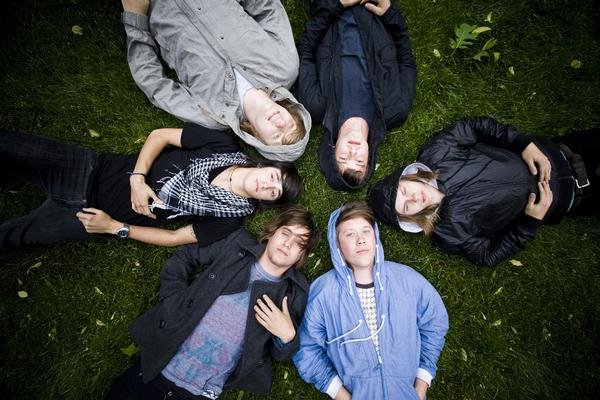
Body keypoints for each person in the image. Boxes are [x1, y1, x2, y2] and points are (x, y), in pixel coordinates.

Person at [105, 206, 320, 399]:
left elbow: (280, 354)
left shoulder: (295, 291)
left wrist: (287, 337)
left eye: (299, 243)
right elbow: (185, 257)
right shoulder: (237, 244)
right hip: (154, 368)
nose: (288, 243)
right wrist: (173, 301)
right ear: (272, 233)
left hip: (199, 393)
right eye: (286, 233)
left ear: (301, 256)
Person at [0, 123, 301, 251]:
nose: (267, 185)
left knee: (10, 237)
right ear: (265, 166)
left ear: (268, 201)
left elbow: (173, 238)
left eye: (274, 192)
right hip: (89, 170)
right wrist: (137, 178)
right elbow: (160, 136)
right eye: (274, 176)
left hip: (89, 218)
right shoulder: (222, 145)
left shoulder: (230, 219)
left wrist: (114, 228)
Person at [368, 117, 600, 266]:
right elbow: (487, 256)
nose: (413, 197)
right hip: (575, 198)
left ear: (410, 177)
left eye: (405, 189)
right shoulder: (449, 233)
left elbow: (473, 126)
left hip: (563, 151)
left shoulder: (437, 153)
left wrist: (522, 144)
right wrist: (530, 223)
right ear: (411, 218)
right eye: (407, 206)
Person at [120, 0, 311, 162]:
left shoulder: (211, 116)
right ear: (294, 114)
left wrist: (135, 18)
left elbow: (154, 84)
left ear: (257, 137)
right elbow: (267, 8)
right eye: (291, 126)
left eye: (277, 136)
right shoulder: (285, 67)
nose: (281, 125)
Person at [293, 201, 448, 400]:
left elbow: (435, 321)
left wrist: (422, 382)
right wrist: (340, 395)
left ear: (375, 237)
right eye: (350, 234)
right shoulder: (323, 292)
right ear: (337, 246)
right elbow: (306, 347)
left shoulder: (407, 280)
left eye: (366, 231)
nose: (360, 240)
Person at [296, 0, 416, 190]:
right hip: (375, 8)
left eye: (343, 158)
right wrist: (389, 12)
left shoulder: (316, 105)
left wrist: (336, 5)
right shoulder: (395, 110)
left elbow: (305, 51)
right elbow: (406, 59)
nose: (353, 151)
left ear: (333, 149)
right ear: (369, 159)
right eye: (359, 161)